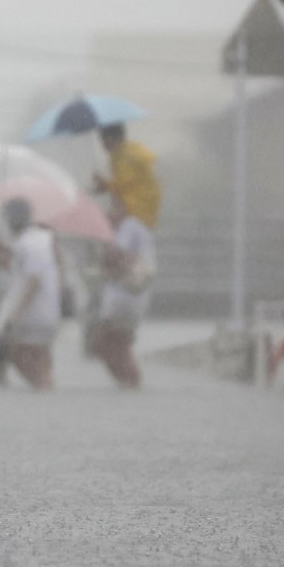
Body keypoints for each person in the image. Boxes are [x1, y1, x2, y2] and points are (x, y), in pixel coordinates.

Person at [0, 198, 60, 391]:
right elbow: (20, 272)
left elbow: (34, 280)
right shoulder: (38, 239)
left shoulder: (29, 244)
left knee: (12, 351)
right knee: (39, 356)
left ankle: (43, 386)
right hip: (47, 312)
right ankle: (45, 387)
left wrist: (16, 314)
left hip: (33, 314)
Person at [91, 197, 155, 389]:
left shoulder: (129, 227)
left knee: (112, 343)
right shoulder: (129, 229)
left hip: (127, 297)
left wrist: (105, 240)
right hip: (126, 296)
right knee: (110, 344)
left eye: (113, 208)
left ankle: (131, 383)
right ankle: (127, 383)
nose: (108, 213)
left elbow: (118, 257)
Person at [92, 122, 160, 229]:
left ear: (114, 138)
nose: (103, 144)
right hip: (141, 212)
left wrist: (105, 184)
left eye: (104, 139)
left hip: (136, 212)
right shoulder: (124, 153)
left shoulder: (125, 156)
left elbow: (124, 184)